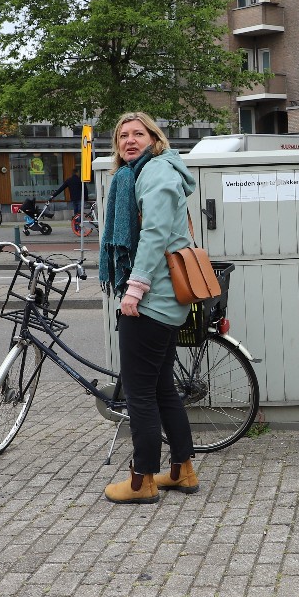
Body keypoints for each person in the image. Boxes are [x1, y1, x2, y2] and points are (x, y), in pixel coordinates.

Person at [98, 110, 199, 504]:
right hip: (165, 300)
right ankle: (182, 471)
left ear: (154, 139)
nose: (129, 140)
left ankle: (142, 481)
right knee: (161, 389)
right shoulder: (144, 173)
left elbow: (155, 234)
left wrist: (134, 289)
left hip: (152, 300)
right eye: (123, 135)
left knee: (139, 394)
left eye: (138, 133)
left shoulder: (155, 172)